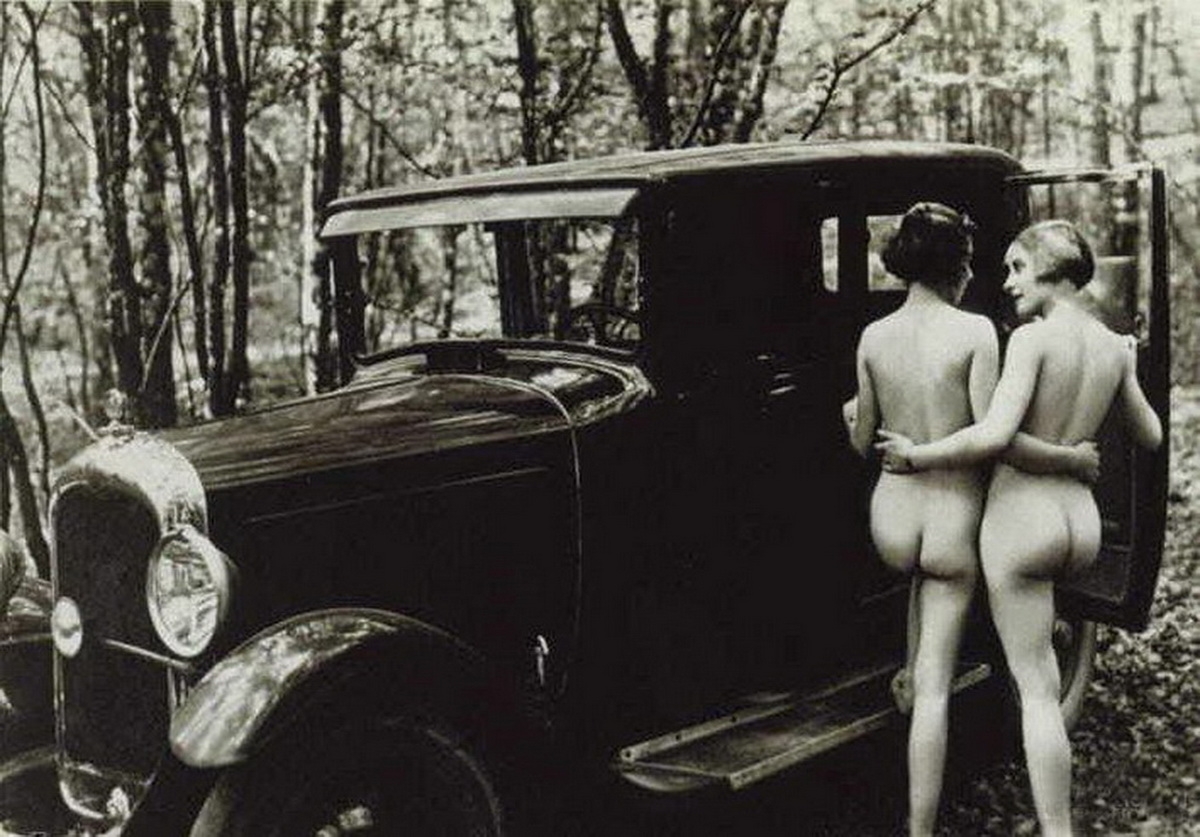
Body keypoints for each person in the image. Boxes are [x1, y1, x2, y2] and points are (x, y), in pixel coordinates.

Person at [875, 219, 1162, 837]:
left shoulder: (1031, 341)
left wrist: (916, 457)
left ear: (1053, 272)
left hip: (1022, 521)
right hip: (1079, 523)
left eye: (1018, 268)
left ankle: (1053, 830)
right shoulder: (1111, 345)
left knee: (1033, 692)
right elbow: (1150, 434)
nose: (1006, 282)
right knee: (1044, 680)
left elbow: (995, 435)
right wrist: (1128, 369)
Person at [846, 204, 1098, 837]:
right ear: (955, 268)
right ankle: (922, 823)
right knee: (937, 689)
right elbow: (992, 438)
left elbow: (862, 440)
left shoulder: (873, 336)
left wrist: (852, 416)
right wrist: (1069, 459)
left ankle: (917, 819)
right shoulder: (977, 332)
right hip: (951, 519)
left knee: (920, 604)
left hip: (892, 517)